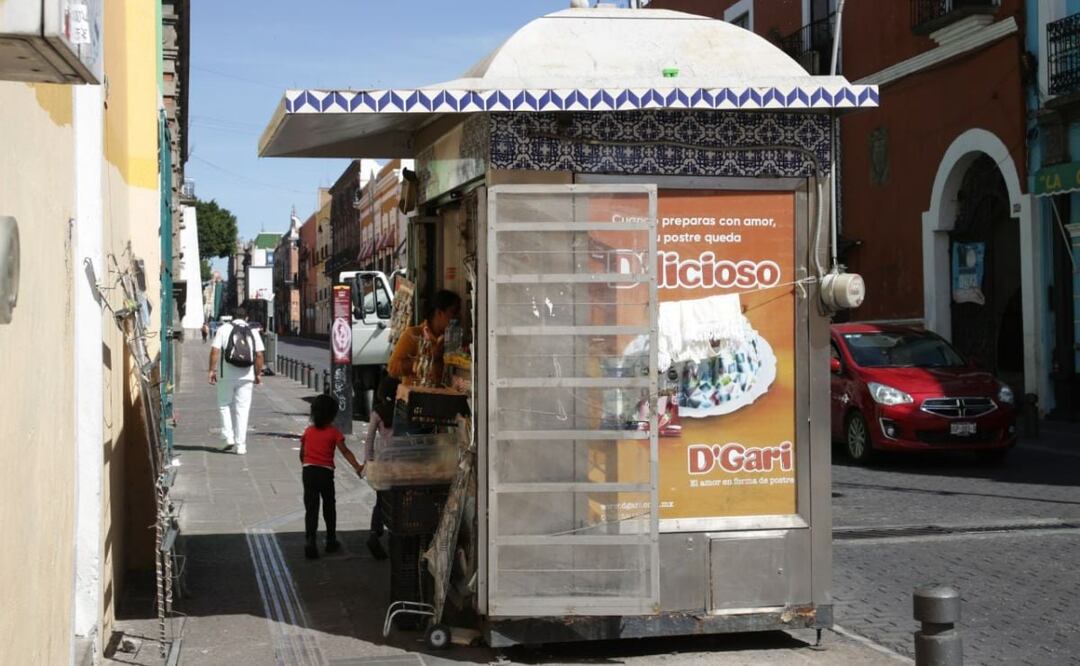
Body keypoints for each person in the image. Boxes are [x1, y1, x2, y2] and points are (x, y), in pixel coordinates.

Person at [300, 394, 364, 559]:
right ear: (333, 415)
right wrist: (357, 467)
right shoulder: (333, 433)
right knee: (329, 505)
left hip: (308, 472)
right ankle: (330, 540)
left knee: (311, 508)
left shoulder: (308, 432)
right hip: (325, 474)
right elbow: (345, 451)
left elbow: (302, 453)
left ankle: (310, 540)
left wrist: (306, 464)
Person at [209, 306, 265, 455]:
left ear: (232, 317)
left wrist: (212, 370)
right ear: (246, 317)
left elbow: (215, 351)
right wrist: (257, 374)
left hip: (226, 375)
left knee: (224, 405)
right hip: (247, 376)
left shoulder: (224, 329)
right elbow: (259, 355)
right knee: (243, 409)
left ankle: (228, 436)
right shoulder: (253, 331)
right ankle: (241, 446)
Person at [360, 375, 399, 561]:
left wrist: (368, 461)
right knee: (397, 500)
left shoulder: (377, 412)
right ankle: (394, 536)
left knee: (381, 500)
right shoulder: (401, 410)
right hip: (400, 463)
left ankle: (374, 534)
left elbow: (369, 439)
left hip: (382, 463)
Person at [387, 289, 462, 385]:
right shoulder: (413, 335)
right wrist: (428, 357)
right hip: (419, 396)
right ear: (439, 313)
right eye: (453, 312)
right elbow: (393, 368)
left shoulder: (453, 338)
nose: (457, 317)